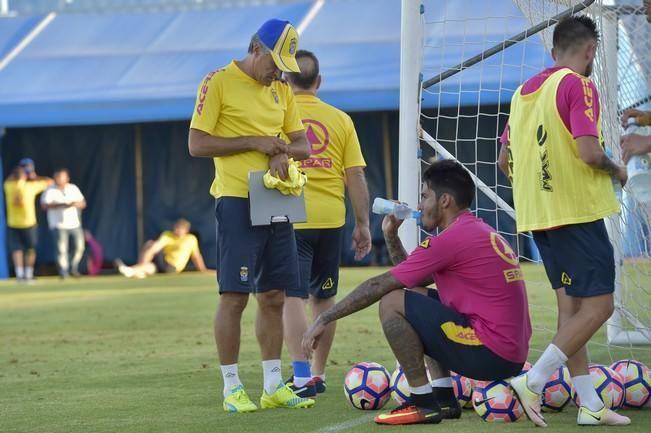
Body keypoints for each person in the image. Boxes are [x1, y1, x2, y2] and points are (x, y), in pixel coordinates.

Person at [303, 160, 532, 426]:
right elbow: (412, 283)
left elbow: (381, 286)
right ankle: (445, 399)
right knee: (417, 300)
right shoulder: (473, 229)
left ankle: (423, 403)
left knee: (391, 302)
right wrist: (390, 235)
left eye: (424, 196)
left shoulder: (451, 239)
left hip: (492, 354)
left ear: (444, 200)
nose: (420, 205)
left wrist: (324, 318)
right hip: (510, 353)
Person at [498, 16, 631, 427]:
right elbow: (589, 152)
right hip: (576, 212)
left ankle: (589, 402)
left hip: (539, 217)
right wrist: (618, 170)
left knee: (570, 309)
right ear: (590, 51)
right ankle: (534, 379)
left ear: (553, 51)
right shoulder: (578, 84)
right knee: (601, 306)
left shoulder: (523, 93)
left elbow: (504, 161)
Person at [188, 19, 314, 412]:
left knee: (275, 296)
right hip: (236, 199)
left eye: (284, 65)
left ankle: (274, 384)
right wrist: (256, 142)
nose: (278, 71)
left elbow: (303, 145)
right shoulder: (218, 81)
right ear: (257, 48)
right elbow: (196, 143)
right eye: (275, 62)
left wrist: (279, 151)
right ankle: (231, 387)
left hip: (276, 200)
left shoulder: (280, 88)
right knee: (234, 297)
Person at [281, 49, 371, 397]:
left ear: (286, 81)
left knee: (293, 297)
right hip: (332, 220)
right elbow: (355, 176)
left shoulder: (278, 116)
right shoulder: (341, 119)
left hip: (290, 217)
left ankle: (301, 376)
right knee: (325, 298)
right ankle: (318, 374)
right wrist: (362, 224)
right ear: (319, 81)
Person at [3, 159, 52, 283]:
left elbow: (9, 179)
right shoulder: (31, 186)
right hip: (28, 223)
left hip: (13, 223)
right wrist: (34, 177)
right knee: (30, 249)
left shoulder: (8, 186)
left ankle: (19, 275)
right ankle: (28, 274)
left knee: (17, 249)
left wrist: (18, 174)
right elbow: (49, 181)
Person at [115, 218, 206, 278]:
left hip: (172, 267)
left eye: (180, 228)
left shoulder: (191, 239)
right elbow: (159, 245)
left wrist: (203, 270)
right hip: (163, 262)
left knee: (150, 244)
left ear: (186, 230)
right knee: (151, 267)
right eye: (176, 227)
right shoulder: (167, 234)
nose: (177, 230)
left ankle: (137, 268)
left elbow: (196, 256)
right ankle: (133, 270)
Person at [40, 168, 86, 278]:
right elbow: (44, 205)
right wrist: (61, 205)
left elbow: (83, 203)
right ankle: (63, 271)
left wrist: (74, 204)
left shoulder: (73, 188)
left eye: (61, 177)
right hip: (58, 225)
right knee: (61, 249)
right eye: (57, 177)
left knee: (80, 246)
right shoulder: (50, 190)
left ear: (67, 178)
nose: (58, 179)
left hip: (74, 223)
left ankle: (73, 267)